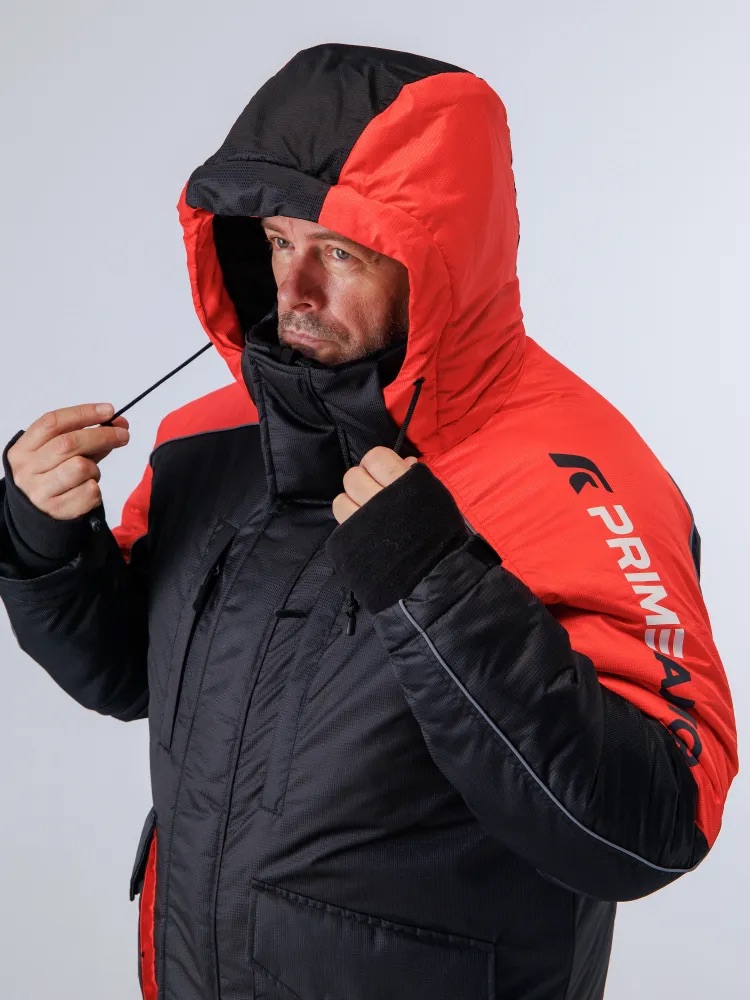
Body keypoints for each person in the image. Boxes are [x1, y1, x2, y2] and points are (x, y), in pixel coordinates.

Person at [0, 42, 738, 1000]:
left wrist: (441, 589)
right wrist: (48, 542)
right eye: (278, 242)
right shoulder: (207, 438)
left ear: (440, 259)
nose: (294, 292)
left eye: (340, 252)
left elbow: (655, 823)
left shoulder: (571, 472)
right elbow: (132, 674)